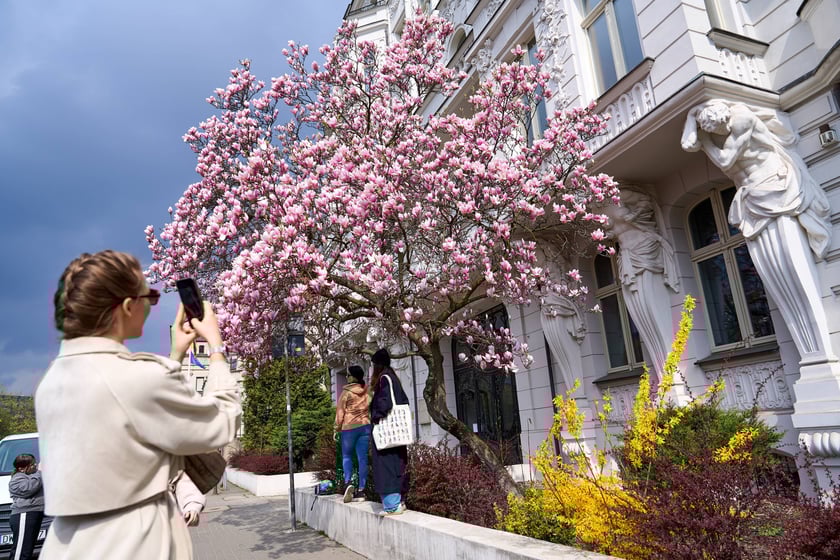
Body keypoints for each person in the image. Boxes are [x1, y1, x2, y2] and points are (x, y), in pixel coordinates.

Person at [35, 250, 242, 559]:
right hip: (133, 541)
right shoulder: (134, 377)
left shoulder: (52, 382)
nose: (151, 304)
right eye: (151, 296)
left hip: (68, 542)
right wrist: (215, 346)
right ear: (129, 306)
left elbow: (138, 415)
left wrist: (175, 357)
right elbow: (221, 422)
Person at [682, 100, 835, 363]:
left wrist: (704, 136)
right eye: (711, 129)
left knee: (788, 258)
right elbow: (688, 144)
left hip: (772, 185)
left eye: (716, 128)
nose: (717, 133)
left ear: (723, 117)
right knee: (774, 263)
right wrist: (690, 117)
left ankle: (819, 357)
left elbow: (725, 159)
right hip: (752, 193)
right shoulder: (717, 123)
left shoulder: (741, 117)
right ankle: (815, 356)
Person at [369, 348, 410, 516]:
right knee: (397, 466)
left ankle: (392, 505)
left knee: (386, 467)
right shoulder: (394, 379)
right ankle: (399, 501)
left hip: (387, 434)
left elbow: (385, 403)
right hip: (397, 434)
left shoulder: (384, 380)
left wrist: (375, 417)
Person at [335, 365, 371, 503]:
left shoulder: (346, 393)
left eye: (348, 375)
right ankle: (362, 490)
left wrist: (336, 428)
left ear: (354, 377)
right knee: (363, 459)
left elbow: (340, 413)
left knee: (347, 456)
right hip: (365, 427)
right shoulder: (367, 391)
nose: (347, 377)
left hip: (349, 428)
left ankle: (348, 482)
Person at [8, 454, 44, 560]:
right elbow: (28, 489)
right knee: (20, 553)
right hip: (23, 515)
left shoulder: (32, 476)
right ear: (21, 468)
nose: (35, 465)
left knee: (27, 551)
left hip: (33, 514)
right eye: (32, 464)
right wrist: (40, 472)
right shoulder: (17, 478)